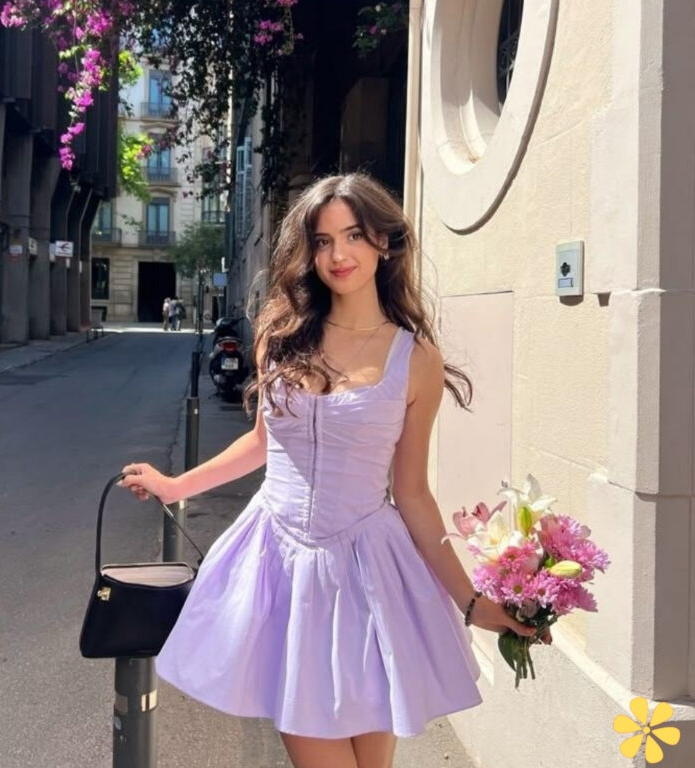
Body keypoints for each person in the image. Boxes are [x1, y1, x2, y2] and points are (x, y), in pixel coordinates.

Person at [119, 173, 551, 768]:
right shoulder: (282, 332)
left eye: (353, 235)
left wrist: (472, 603)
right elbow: (264, 444)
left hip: (371, 578)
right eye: (321, 241)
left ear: (385, 243)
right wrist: (175, 485)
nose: (337, 254)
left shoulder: (414, 358)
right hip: (281, 564)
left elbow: (414, 495)